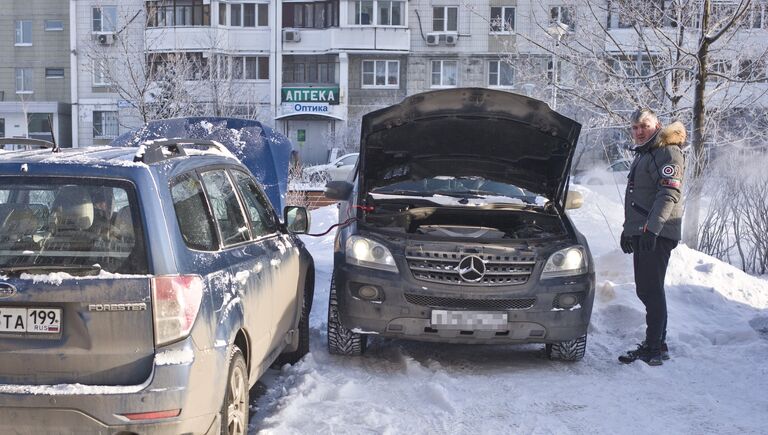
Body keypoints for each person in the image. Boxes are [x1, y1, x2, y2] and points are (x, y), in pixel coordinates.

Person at [618, 108, 686, 366]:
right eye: (634, 128)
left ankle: (653, 348)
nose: (638, 132)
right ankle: (659, 343)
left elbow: (668, 195)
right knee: (648, 289)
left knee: (650, 290)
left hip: (657, 232)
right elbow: (637, 199)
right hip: (644, 231)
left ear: (656, 124)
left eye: (643, 126)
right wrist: (628, 230)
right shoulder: (647, 153)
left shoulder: (667, 151)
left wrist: (651, 230)